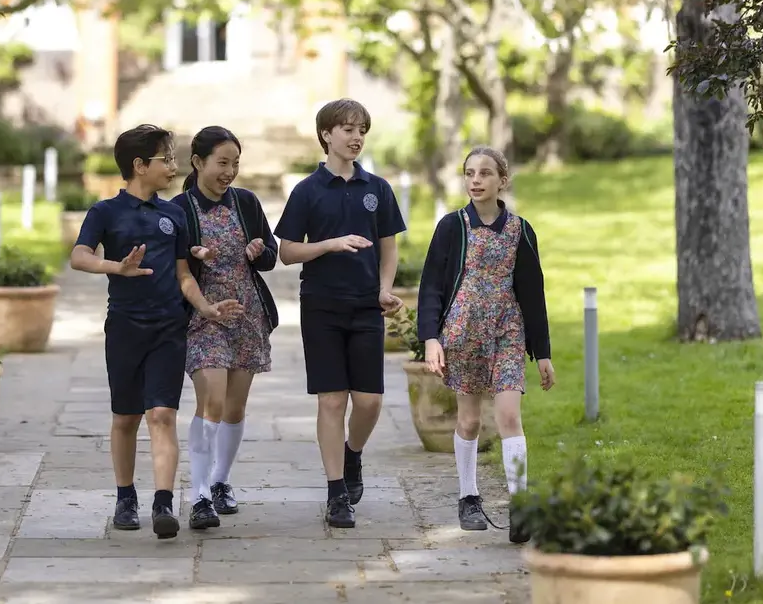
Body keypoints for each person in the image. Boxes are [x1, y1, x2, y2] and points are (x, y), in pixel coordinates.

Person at [70, 124, 243, 539]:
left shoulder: (174, 214)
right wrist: (117, 267)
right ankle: (125, 496)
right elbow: (78, 257)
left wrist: (206, 307)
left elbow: (184, 274)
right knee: (126, 417)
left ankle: (163, 502)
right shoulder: (105, 213)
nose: (173, 166)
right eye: (165, 159)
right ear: (139, 166)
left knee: (162, 414)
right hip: (126, 328)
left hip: (169, 328)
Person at [274, 98, 406, 529]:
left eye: (361, 129)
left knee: (369, 402)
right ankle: (336, 495)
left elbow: (389, 247)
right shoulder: (307, 191)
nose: (356, 136)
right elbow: (288, 251)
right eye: (347, 128)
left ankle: (352, 455)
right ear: (326, 135)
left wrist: (385, 290)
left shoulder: (377, 189)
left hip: (367, 307)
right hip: (322, 308)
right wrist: (330, 244)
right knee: (332, 400)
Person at [416, 145, 555, 545]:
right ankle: (469, 496)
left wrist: (542, 353)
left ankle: (520, 504)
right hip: (463, 332)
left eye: (484, 173)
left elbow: (532, 292)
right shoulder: (452, 226)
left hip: (507, 328)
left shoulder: (520, 230)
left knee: (510, 415)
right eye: (469, 173)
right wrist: (430, 338)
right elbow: (431, 287)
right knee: (470, 421)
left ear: (502, 180)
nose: (475, 180)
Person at [172, 126, 279, 530]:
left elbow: (270, 255)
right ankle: (198, 495)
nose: (229, 171)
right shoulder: (180, 209)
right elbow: (172, 263)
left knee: (234, 407)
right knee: (211, 400)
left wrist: (258, 251)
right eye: (222, 162)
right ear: (198, 162)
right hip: (203, 317)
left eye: (235, 163)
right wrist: (192, 252)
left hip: (247, 316)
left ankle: (220, 481)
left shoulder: (246, 203)